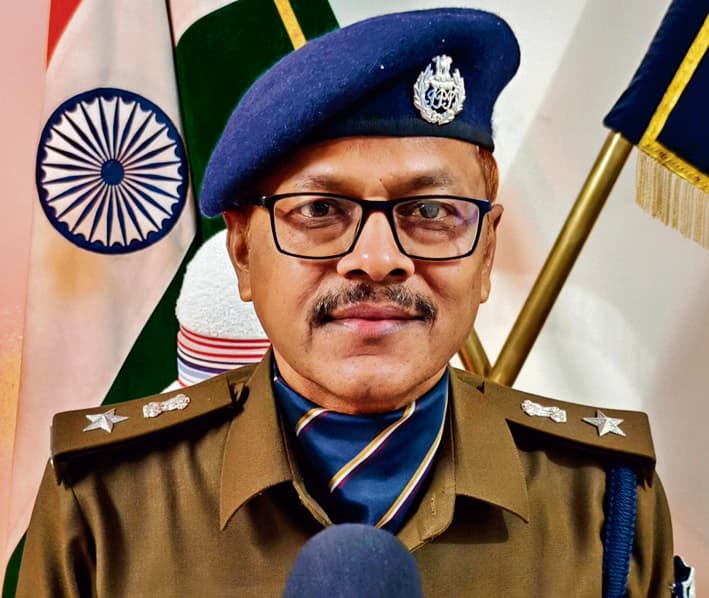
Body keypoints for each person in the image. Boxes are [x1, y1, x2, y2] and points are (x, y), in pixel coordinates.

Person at [17, 8, 675, 597]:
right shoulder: (105, 508)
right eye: (320, 210)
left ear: (485, 254)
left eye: (430, 211)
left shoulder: (602, 505)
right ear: (242, 252)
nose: (377, 259)